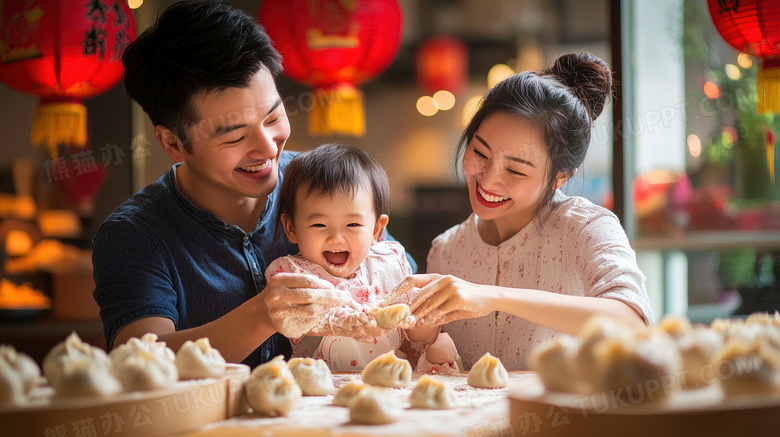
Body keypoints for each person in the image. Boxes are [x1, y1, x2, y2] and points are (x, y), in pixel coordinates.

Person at [92, 0, 414, 369]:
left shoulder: (321, 183)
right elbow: (141, 362)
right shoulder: (135, 236)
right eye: (234, 137)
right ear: (173, 143)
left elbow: (397, 279)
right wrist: (262, 316)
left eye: (274, 116)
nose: (267, 147)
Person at [405, 52, 654, 371]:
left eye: (516, 171)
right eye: (480, 152)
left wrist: (493, 296)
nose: (489, 179)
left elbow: (632, 323)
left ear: (560, 177)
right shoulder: (447, 250)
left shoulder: (586, 228)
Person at [266, 143, 440, 370]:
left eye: (353, 224)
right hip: (321, 388)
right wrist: (354, 322)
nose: (336, 238)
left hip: (390, 383)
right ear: (292, 228)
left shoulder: (390, 262)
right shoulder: (291, 275)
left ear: (377, 230)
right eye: (319, 224)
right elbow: (298, 322)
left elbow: (417, 336)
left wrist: (424, 319)